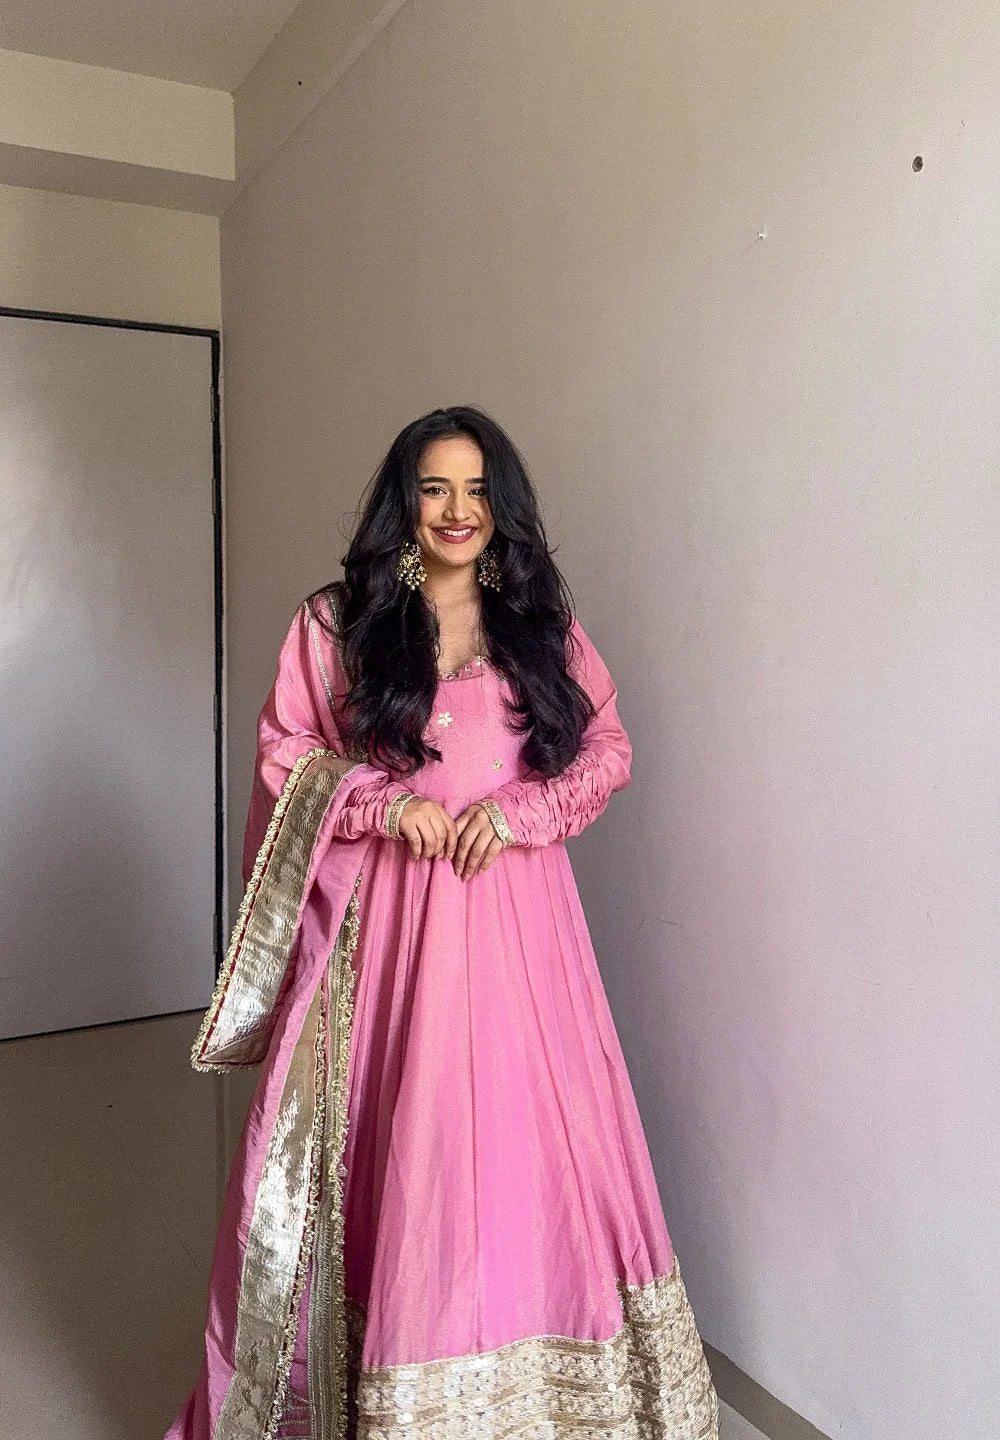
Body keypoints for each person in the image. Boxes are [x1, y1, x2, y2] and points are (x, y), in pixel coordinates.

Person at [166, 406, 720, 1439]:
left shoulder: (536, 624)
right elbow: (289, 758)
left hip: (521, 935)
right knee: (405, 1156)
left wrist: (523, 812)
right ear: (404, 501)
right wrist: (385, 804)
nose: (457, 511)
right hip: (390, 943)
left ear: (502, 507)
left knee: (530, 1152)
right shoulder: (341, 625)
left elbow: (607, 748)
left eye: (476, 491)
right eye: (435, 488)